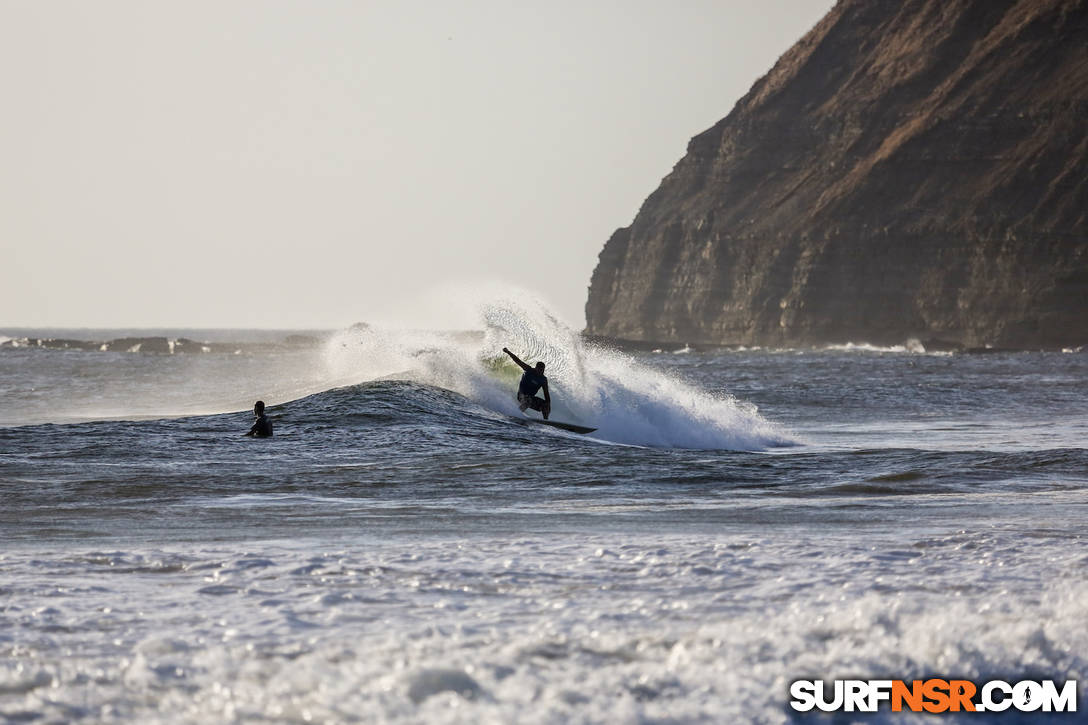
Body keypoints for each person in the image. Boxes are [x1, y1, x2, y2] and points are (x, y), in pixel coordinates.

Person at [502, 347, 551, 420]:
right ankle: (517, 414)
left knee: (545, 405)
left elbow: (546, 394)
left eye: (542, 370)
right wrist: (508, 352)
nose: (541, 372)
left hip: (531, 398)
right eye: (540, 370)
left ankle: (546, 422)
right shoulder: (529, 370)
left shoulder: (543, 380)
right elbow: (518, 361)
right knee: (528, 400)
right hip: (521, 396)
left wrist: (548, 405)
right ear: (536, 368)